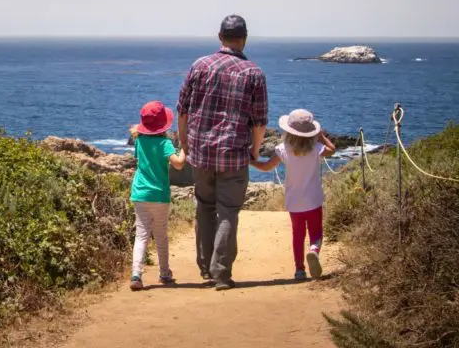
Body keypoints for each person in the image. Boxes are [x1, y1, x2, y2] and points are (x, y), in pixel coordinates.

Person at [177, 15, 268, 291]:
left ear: (220, 37)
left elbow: (183, 110)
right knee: (228, 211)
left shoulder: (199, 66)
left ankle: (205, 266)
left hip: (202, 153)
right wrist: (254, 151)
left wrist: (185, 144)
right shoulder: (254, 73)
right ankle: (221, 273)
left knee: (205, 206)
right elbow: (259, 121)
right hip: (233, 154)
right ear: (245, 38)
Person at [251, 109, 336, 280]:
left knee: (297, 235)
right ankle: (313, 250)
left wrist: (251, 162)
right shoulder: (316, 148)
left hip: (294, 201)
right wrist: (320, 136)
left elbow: (267, 167)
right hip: (313, 199)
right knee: (316, 233)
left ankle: (299, 270)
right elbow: (332, 150)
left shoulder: (283, 149)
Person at [129, 100, 188, 291]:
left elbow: (138, 160)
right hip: (160, 194)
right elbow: (178, 163)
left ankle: (136, 275)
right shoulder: (165, 143)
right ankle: (164, 272)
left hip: (140, 193)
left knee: (141, 235)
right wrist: (185, 147)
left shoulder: (139, 141)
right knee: (161, 235)